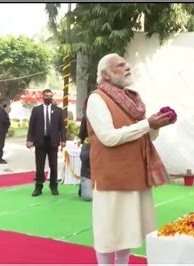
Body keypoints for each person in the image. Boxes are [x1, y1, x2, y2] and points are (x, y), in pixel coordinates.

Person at [86, 53, 175, 265]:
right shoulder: (97, 98)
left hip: (135, 174)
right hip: (112, 176)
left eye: (126, 64)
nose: (127, 67)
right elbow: (107, 137)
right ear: (105, 75)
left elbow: (147, 135)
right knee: (109, 233)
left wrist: (156, 126)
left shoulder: (132, 99)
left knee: (128, 231)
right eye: (120, 65)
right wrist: (147, 125)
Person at [26, 89, 66, 197]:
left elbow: (62, 127)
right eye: (46, 96)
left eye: (50, 96)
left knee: (53, 166)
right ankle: (38, 187)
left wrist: (63, 140)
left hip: (53, 142)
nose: (48, 97)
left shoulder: (58, 110)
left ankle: (54, 186)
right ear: (42, 97)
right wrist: (29, 140)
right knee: (40, 166)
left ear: (52, 97)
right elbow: (31, 127)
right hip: (40, 142)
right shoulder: (36, 110)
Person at [78, 115, 92, 201]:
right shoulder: (86, 117)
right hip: (89, 142)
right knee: (88, 197)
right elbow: (83, 157)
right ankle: (82, 186)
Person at [0, 98, 11, 164]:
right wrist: (8, 121)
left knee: (0, 144)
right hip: (1, 129)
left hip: (1, 129)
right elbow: (3, 119)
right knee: (0, 144)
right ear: (2, 102)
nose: (7, 103)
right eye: (6, 102)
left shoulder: (1, 109)